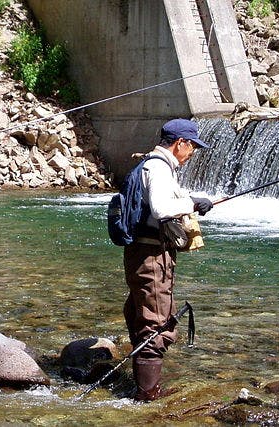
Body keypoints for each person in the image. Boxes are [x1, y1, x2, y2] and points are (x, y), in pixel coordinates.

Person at [123, 118, 213, 401]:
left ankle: (143, 387)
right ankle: (148, 396)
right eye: (192, 147)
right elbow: (162, 209)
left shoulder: (150, 163)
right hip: (152, 255)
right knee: (156, 323)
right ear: (180, 143)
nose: (193, 153)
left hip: (141, 252)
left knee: (141, 314)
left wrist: (191, 199)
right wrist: (193, 205)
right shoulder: (160, 168)